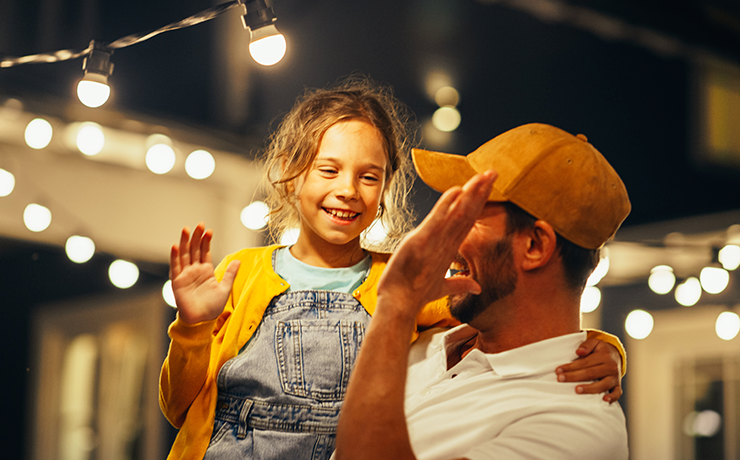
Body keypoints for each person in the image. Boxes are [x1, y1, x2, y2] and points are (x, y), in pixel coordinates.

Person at [159, 76, 625, 460]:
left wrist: (593, 348)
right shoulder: (246, 272)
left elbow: (537, 333)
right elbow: (183, 406)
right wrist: (192, 329)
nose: (348, 189)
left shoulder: (573, 425)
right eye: (328, 170)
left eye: (470, 215)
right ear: (290, 174)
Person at [335, 123, 632, 460]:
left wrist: (396, 305)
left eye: (468, 217)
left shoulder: (579, 426)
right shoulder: (426, 337)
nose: (443, 240)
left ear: (535, 246)